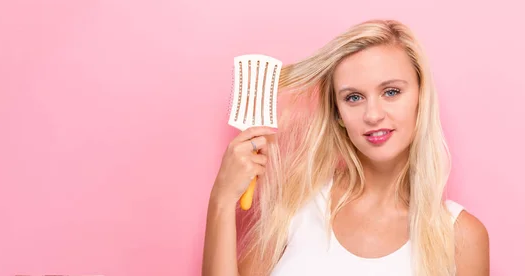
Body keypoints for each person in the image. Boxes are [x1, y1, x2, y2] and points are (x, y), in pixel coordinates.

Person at [202, 19, 489, 276]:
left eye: (391, 92)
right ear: (338, 113)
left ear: (421, 98)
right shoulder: (296, 205)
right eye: (353, 98)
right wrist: (222, 200)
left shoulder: (460, 236)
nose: (373, 114)